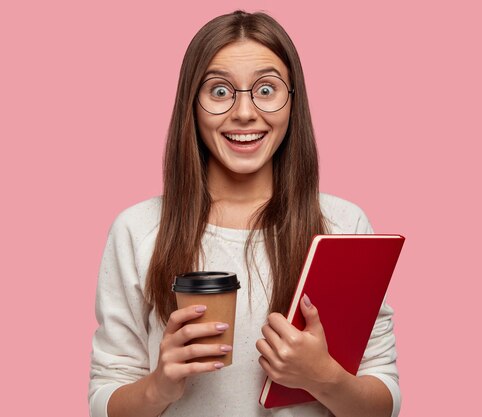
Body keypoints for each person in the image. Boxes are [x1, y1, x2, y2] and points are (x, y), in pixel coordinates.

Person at [89, 10, 400, 417]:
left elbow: (385, 401)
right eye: (219, 92)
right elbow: (104, 398)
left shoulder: (342, 226)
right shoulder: (138, 229)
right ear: (192, 104)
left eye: (266, 89)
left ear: (293, 101)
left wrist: (324, 376)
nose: (244, 113)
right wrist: (158, 388)